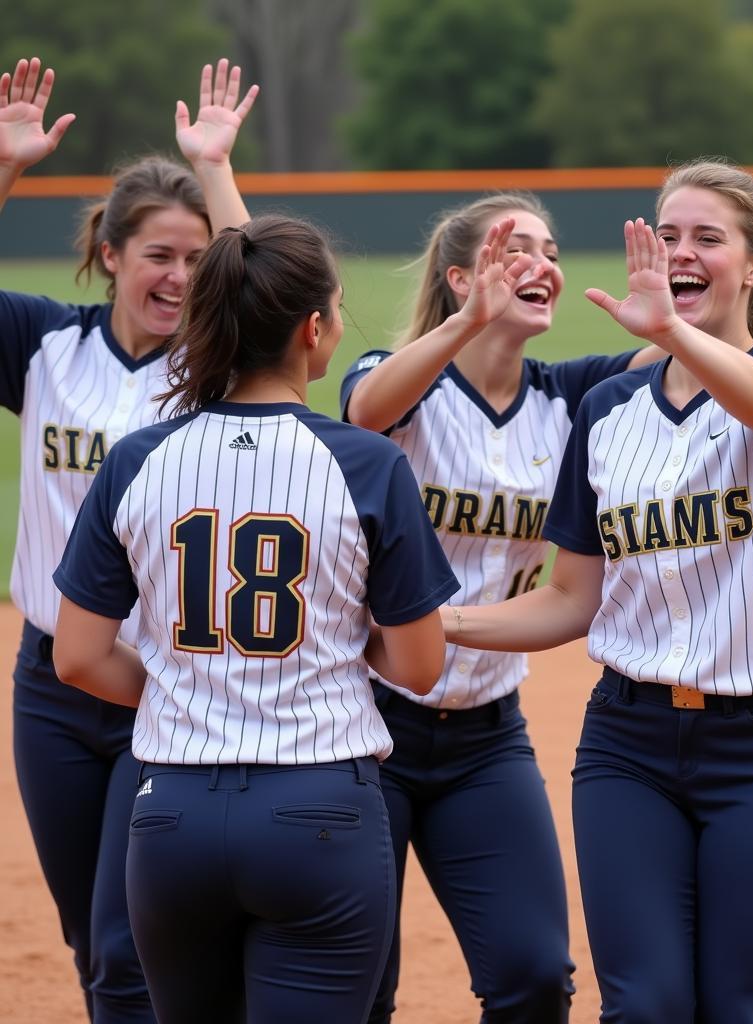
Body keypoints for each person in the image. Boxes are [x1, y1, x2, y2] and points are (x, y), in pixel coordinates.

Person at [435, 159, 753, 1023]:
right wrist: (440, 622)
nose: (682, 252)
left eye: (708, 238)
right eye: (671, 233)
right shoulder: (609, 411)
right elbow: (572, 597)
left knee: (748, 1008)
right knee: (643, 1006)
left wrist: (676, 335)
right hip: (629, 745)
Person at [51, 212, 459, 1023]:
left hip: (172, 817)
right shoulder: (365, 462)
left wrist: (194, 686)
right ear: (313, 328)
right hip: (320, 816)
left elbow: (78, 657)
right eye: (337, 312)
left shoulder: (138, 458)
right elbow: (419, 667)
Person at [340, 191, 664, 1023]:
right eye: (516, 249)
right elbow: (363, 411)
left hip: (487, 735)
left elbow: (690, 361)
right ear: (461, 277)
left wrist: (668, 319)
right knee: (357, 986)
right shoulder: (402, 377)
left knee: (532, 976)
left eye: (551, 252)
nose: (543, 267)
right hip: (360, 727)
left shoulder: (572, 398)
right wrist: (459, 327)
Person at [0, 56, 255, 1020]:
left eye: (196, 257)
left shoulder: (222, 366)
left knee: (126, 942)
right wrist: (5, 170)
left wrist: (216, 169)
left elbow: (262, 274)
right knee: (91, 939)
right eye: (159, 253)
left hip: (166, 680)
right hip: (55, 683)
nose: (180, 275)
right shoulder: (44, 346)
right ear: (110, 252)